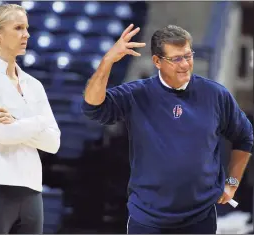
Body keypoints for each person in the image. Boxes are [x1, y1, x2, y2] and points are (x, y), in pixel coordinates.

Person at [81, 24, 253, 234]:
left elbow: (244, 137)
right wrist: (107, 62)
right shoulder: (137, 93)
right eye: (176, 59)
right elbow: (92, 107)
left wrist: (232, 183)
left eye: (188, 56)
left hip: (200, 218)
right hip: (147, 218)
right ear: (157, 62)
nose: (185, 65)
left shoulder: (215, 94)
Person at [0, 4, 61, 234]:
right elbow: (4, 134)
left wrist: (18, 120)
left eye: (26, 28)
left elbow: (53, 142)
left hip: (31, 191)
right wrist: (39, 121)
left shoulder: (34, 85)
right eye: (18, 28)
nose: (26, 34)